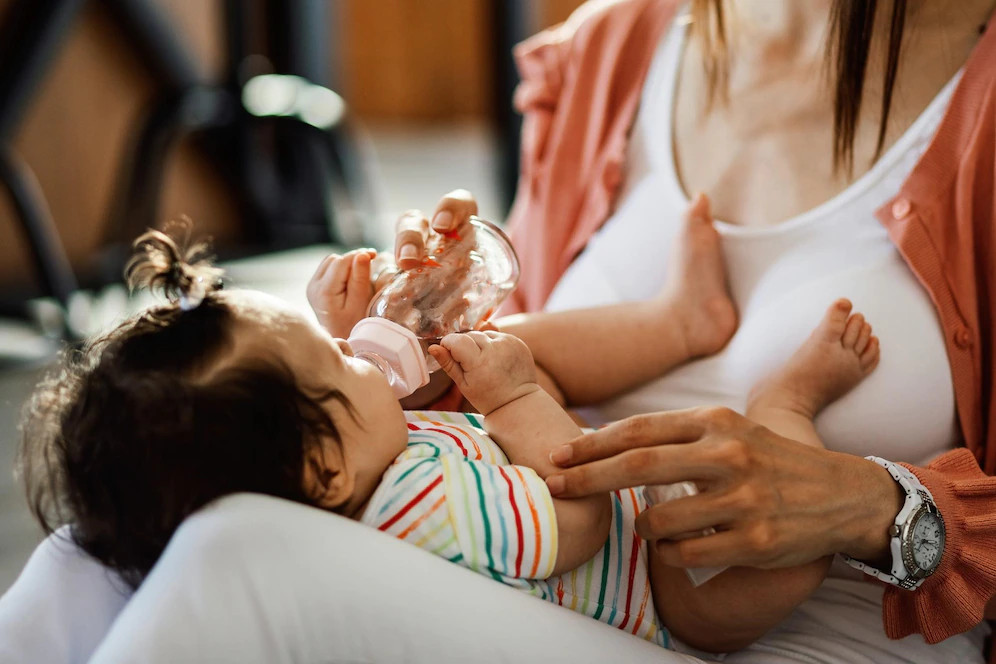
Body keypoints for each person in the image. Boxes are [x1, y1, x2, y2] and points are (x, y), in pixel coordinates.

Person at [386, 1, 996, 661]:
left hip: (818, 634)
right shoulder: (613, 47)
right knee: (267, 529)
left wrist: (872, 509)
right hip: (570, 586)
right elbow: (509, 392)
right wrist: (419, 350)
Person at [22, 213, 878, 653]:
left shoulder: (352, 469)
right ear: (321, 471)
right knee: (742, 563)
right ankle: (792, 402)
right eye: (337, 362)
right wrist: (511, 404)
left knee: (75, 552)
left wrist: (364, 344)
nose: (359, 357)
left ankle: (683, 321)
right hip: (657, 594)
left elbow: (372, 404)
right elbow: (578, 522)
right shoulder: (416, 500)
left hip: (612, 511)